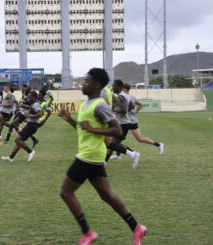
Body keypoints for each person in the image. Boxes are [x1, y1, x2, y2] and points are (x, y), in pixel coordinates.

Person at [58, 68, 147, 245]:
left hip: (87, 156)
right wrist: (69, 119)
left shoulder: (100, 105)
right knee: (107, 195)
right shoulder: (86, 105)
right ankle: (137, 227)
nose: (83, 84)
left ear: (97, 85)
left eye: (87, 81)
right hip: (93, 156)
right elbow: (83, 128)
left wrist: (93, 129)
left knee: (66, 192)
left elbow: (117, 129)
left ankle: (87, 233)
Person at [111, 83, 164, 159]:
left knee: (135, 139)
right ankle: (118, 154)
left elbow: (128, 107)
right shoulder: (131, 97)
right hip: (130, 120)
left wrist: (117, 110)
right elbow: (140, 104)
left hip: (128, 121)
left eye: (122, 88)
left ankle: (158, 145)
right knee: (118, 138)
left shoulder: (124, 97)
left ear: (124, 89)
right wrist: (135, 112)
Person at [105, 80, 140, 169]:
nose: (113, 88)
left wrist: (114, 110)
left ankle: (133, 154)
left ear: (119, 87)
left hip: (123, 124)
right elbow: (131, 106)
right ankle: (103, 164)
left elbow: (124, 110)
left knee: (112, 145)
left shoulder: (121, 96)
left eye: (114, 86)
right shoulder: (124, 96)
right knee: (113, 144)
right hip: (123, 123)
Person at [1, 91, 42, 162]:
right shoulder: (33, 104)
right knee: (19, 141)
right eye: (28, 97)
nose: (28, 98)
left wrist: (29, 116)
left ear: (34, 97)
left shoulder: (36, 104)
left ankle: (30, 151)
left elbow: (40, 114)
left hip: (32, 126)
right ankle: (11, 157)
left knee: (17, 139)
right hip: (30, 125)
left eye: (30, 97)